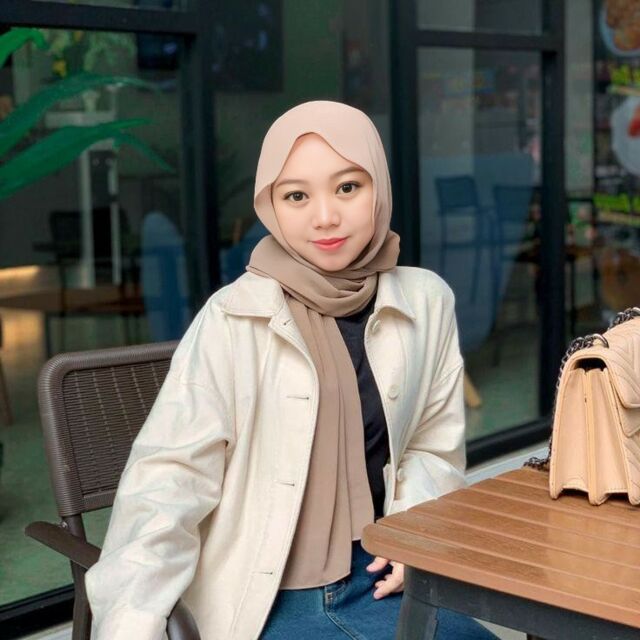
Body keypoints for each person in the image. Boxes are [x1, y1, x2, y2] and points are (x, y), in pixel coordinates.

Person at [85, 101, 497, 640]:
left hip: (381, 572)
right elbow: (170, 478)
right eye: (296, 196)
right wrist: (133, 621)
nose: (324, 217)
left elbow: (431, 444)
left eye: (347, 187)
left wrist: (413, 538)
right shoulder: (232, 317)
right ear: (270, 205)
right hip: (263, 593)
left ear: (380, 188)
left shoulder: (425, 300)